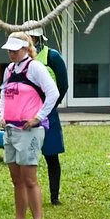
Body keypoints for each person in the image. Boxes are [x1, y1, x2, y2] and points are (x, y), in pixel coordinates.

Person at [0, 32, 61, 219]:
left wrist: (38, 117)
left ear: (25, 48)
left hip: (30, 131)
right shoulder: (9, 69)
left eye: (15, 50)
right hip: (11, 130)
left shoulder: (35, 67)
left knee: (30, 179)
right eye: (9, 50)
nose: (11, 53)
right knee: (16, 179)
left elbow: (54, 93)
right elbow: (3, 93)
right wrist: (2, 115)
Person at [31, 25, 70, 206]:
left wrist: (51, 106)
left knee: (51, 154)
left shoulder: (52, 56)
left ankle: (54, 196)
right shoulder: (21, 59)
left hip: (48, 112)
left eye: (33, 37)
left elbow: (63, 84)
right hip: (28, 112)